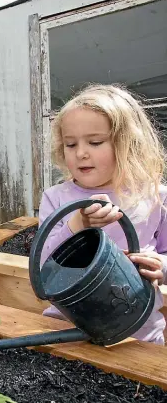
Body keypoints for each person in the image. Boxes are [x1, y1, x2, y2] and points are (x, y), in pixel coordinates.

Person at [39, 84, 167, 345]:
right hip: (66, 325)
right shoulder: (56, 197)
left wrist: (161, 267)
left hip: (136, 330)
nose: (81, 152)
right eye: (70, 144)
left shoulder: (155, 196)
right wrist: (77, 223)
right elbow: (42, 270)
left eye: (95, 142)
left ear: (127, 142)